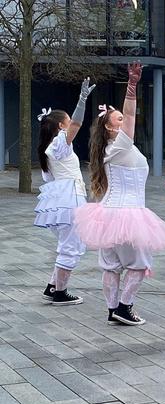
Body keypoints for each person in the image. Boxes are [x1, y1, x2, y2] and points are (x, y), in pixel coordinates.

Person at [75, 62, 165, 326]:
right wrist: (132, 86)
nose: (124, 121)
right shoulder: (121, 144)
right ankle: (124, 307)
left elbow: (129, 118)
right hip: (128, 214)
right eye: (118, 119)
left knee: (111, 266)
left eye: (121, 118)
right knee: (138, 264)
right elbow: (131, 115)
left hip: (108, 214)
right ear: (110, 128)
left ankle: (113, 309)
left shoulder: (110, 149)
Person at [34, 78, 95, 305]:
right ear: (61, 126)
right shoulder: (60, 143)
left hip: (61, 199)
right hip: (70, 198)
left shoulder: (48, 149)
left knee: (68, 243)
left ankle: (53, 287)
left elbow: (49, 179)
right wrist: (82, 99)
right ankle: (60, 292)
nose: (70, 125)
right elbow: (77, 124)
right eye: (67, 121)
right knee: (72, 245)